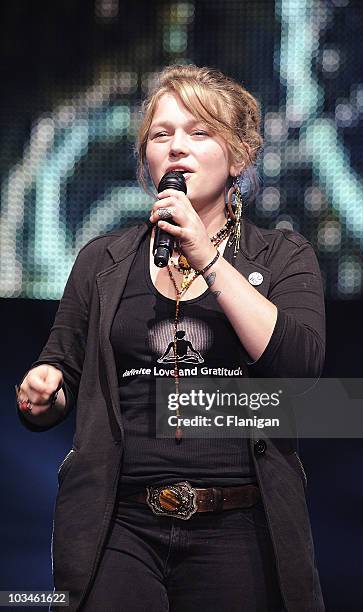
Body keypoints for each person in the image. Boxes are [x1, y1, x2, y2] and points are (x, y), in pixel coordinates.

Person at [16, 65, 326, 612]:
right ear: (147, 160)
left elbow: (298, 371)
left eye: (199, 131)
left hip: (238, 524)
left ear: (240, 157)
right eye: (161, 135)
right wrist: (44, 392)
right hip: (120, 525)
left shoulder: (281, 255)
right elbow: (59, 379)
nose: (177, 147)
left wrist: (207, 257)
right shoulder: (103, 260)